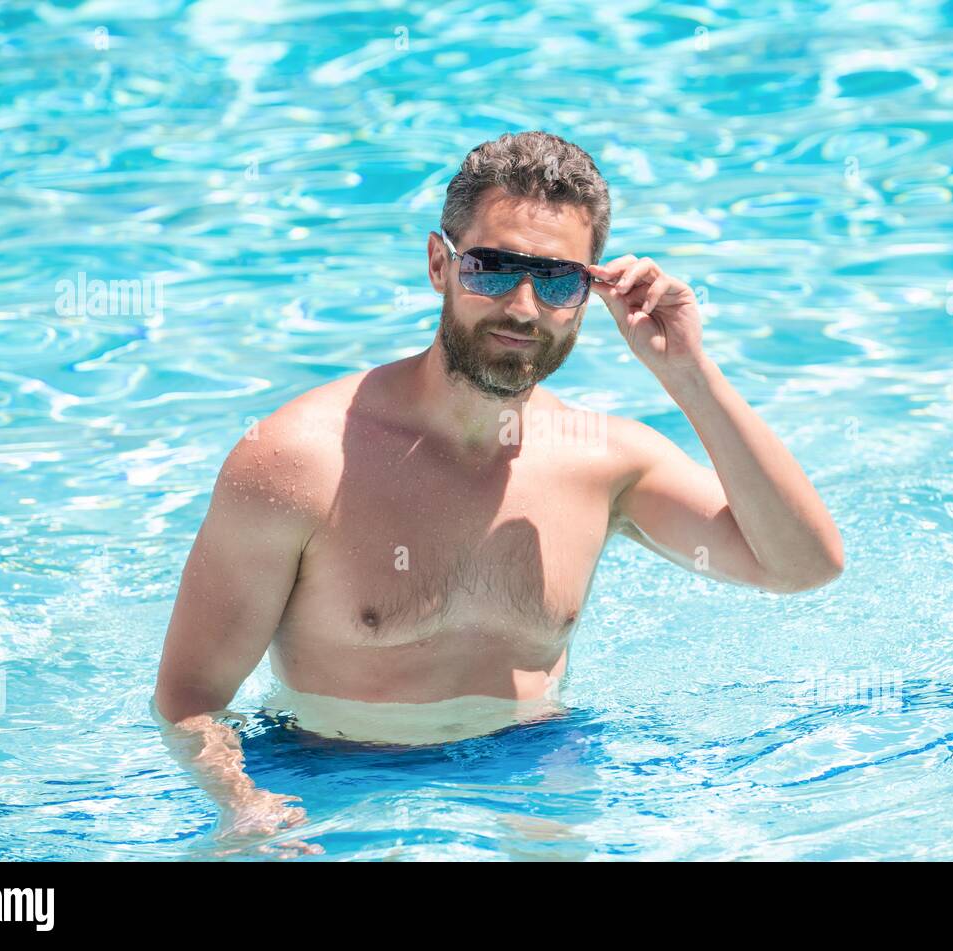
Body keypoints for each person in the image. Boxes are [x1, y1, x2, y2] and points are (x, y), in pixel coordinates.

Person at [152, 130, 843, 853]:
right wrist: (245, 804)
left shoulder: (606, 462)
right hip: (332, 770)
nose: (522, 307)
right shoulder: (297, 461)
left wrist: (688, 371)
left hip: (537, 761)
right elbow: (190, 698)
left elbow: (801, 565)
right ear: (438, 265)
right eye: (492, 269)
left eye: (555, 281)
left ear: (586, 294)